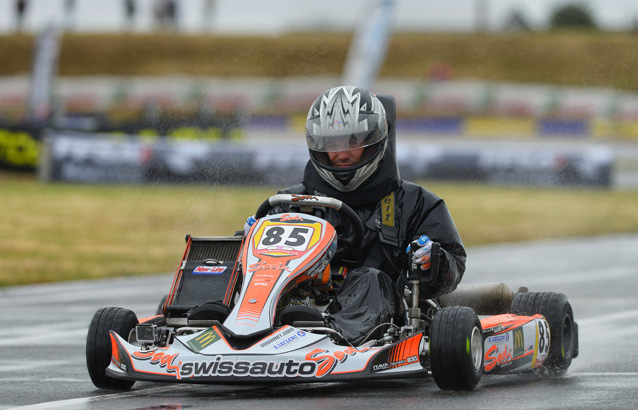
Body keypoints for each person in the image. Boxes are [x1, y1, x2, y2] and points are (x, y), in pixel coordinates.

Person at [250, 86, 466, 344]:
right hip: (296, 302)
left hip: (383, 312)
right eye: (332, 143)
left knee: (369, 277)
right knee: (215, 267)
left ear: (375, 138)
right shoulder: (289, 203)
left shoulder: (416, 203)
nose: (341, 154)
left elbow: (452, 267)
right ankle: (221, 325)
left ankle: (330, 338)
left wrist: (434, 261)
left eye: (352, 141)